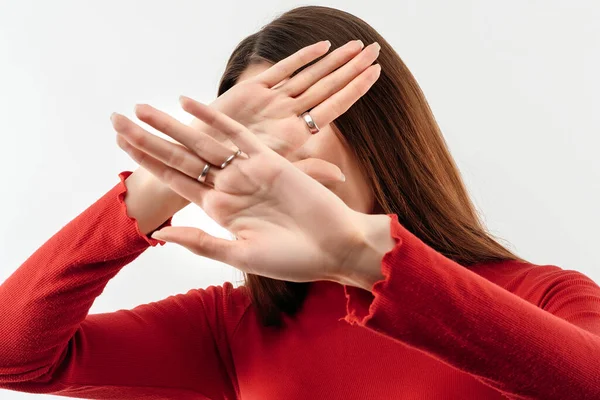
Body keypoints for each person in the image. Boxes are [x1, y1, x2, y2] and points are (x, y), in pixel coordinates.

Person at [1, 5, 599, 400]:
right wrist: (167, 180)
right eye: (242, 138)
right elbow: (13, 357)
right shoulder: (233, 326)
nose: (267, 161)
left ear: (379, 132)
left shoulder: (541, 297)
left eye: (300, 119)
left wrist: (367, 256)